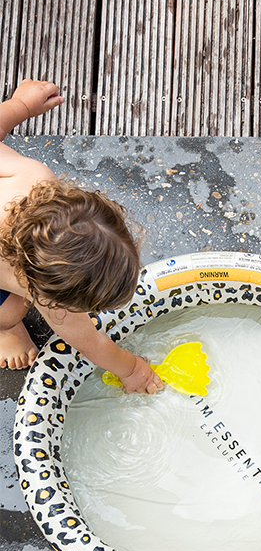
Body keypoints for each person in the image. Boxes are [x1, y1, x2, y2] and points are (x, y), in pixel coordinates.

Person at [0, 78, 162, 393]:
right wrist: (133, 370)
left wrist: (20, 106)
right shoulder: (43, 297)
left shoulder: (32, 178)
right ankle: (6, 331)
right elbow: (90, 342)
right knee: (9, 310)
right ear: (48, 297)